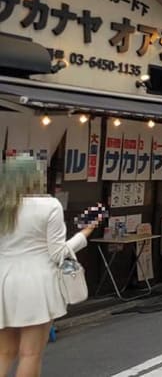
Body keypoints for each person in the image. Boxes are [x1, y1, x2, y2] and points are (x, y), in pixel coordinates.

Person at [1, 158, 98, 377]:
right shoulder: (48, 205)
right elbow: (57, 253)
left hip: (2, 282)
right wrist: (84, 234)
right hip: (36, 284)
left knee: (4, 353)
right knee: (30, 354)